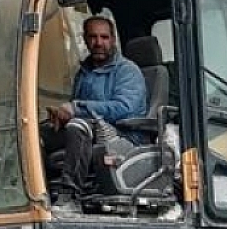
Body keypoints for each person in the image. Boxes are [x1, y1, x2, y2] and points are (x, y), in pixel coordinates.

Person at [41, 15, 148, 212]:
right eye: (93, 37)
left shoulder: (127, 71)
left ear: (113, 39)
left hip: (123, 135)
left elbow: (123, 109)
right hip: (91, 131)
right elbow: (76, 109)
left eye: (104, 37)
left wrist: (76, 108)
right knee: (39, 132)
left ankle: (70, 197)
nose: (98, 43)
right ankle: (40, 191)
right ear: (85, 39)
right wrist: (61, 115)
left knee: (77, 127)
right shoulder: (84, 72)